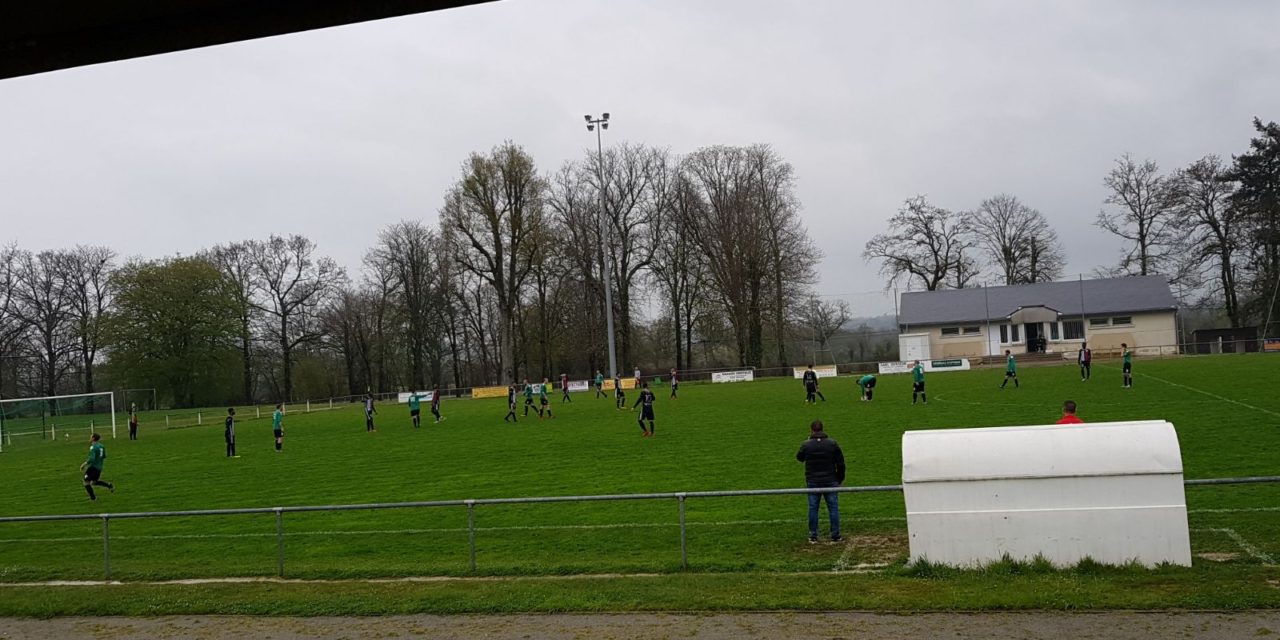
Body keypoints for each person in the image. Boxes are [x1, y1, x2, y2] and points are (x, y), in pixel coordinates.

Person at [796, 419, 845, 544]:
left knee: (813, 508)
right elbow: (841, 463)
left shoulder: (806, 444)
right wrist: (839, 478)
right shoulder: (832, 444)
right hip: (830, 480)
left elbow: (799, 458)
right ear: (823, 429)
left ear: (811, 430)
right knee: (833, 508)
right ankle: (835, 535)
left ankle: (813, 535)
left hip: (813, 480)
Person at [79, 433, 115, 500]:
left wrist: (84, 464)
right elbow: (104, 456)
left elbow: (92, 459)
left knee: (86, 482)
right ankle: (109, 485)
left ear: (93, 438)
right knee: (94, 482)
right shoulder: (102, 446)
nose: (89, 438)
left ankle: (93, 498)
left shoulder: (93, 447)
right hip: (99, 467)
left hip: (93, 467)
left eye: (90, 436)